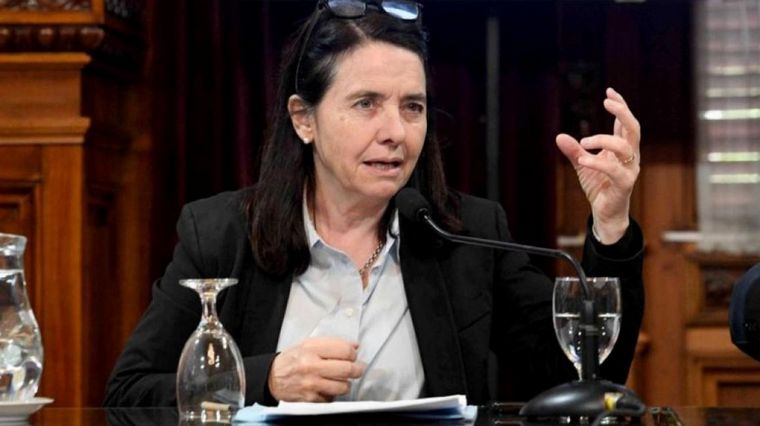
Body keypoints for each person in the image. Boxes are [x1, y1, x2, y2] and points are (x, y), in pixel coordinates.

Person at [104, 0, 644, 407]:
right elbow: (130, 395)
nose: (395, 132)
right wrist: (264, 378)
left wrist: (611, 221)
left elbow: (587, 372)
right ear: (303, 119)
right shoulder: (221, 232)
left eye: (413, 107)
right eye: (366, 104)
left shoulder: (467, 234)